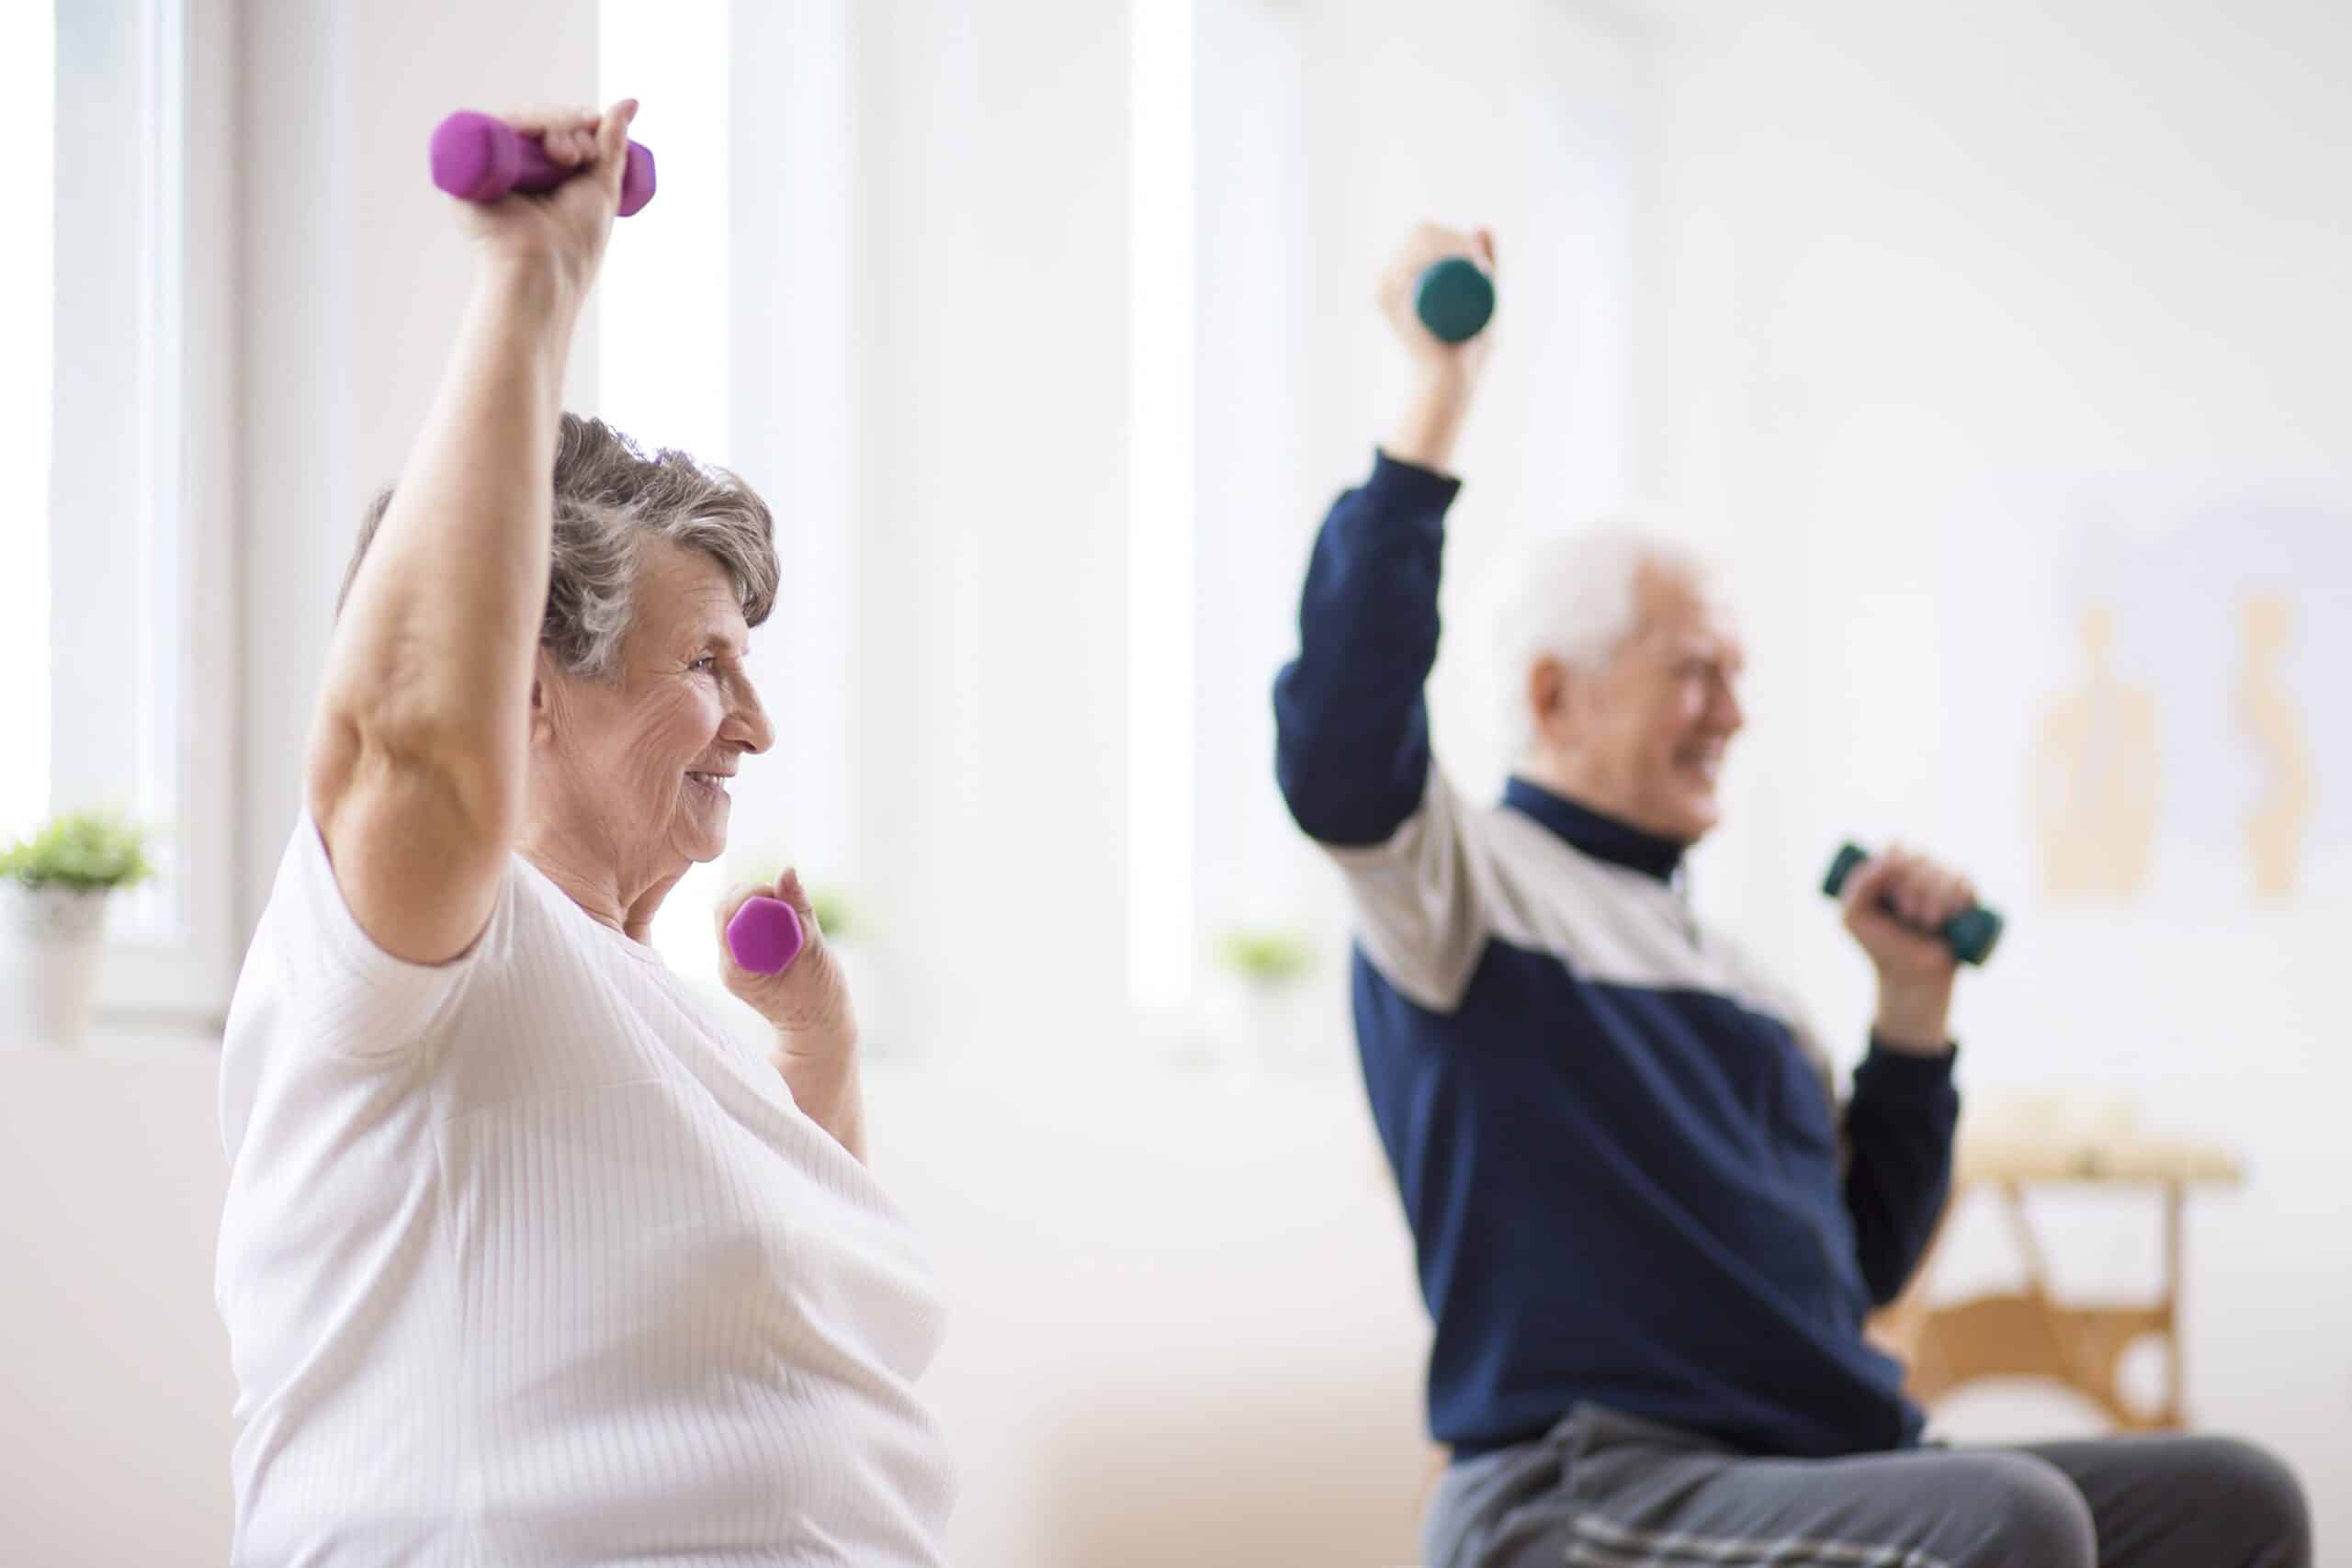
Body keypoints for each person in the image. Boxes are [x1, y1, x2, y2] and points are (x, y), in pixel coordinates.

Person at [1272, 222, 2311, 1568]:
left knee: (2236, 1499)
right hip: (1579, 1490)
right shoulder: (1459, 890)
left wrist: (1912, 1009)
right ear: (1552, 695)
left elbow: (1862, 1262)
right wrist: (1438, 398)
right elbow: (1340, 737)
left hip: (1815, 1469)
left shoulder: (1735, 975)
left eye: (1740, 678)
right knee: (2011, 1522)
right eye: (1694, 673)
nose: (1734, 715)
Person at [215, 104, 953, 1564]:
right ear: (528, 697)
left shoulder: (642, 1009)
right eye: (705, 666)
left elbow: (814, 1329)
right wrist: (534, 280)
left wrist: (819, 1059)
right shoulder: (436, 957)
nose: (755, 726)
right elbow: (409, 742)